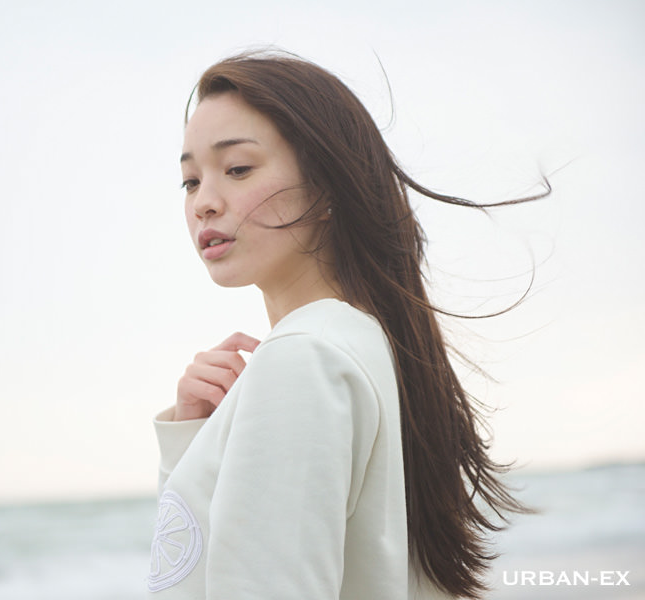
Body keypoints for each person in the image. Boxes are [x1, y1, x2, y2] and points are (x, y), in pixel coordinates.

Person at [147, 51, 545, 599]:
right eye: (190, 181)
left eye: (238, 169)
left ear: (327, 184)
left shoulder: (303, 358)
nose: (205, 204)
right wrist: (192, 444)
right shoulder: (365, 344)